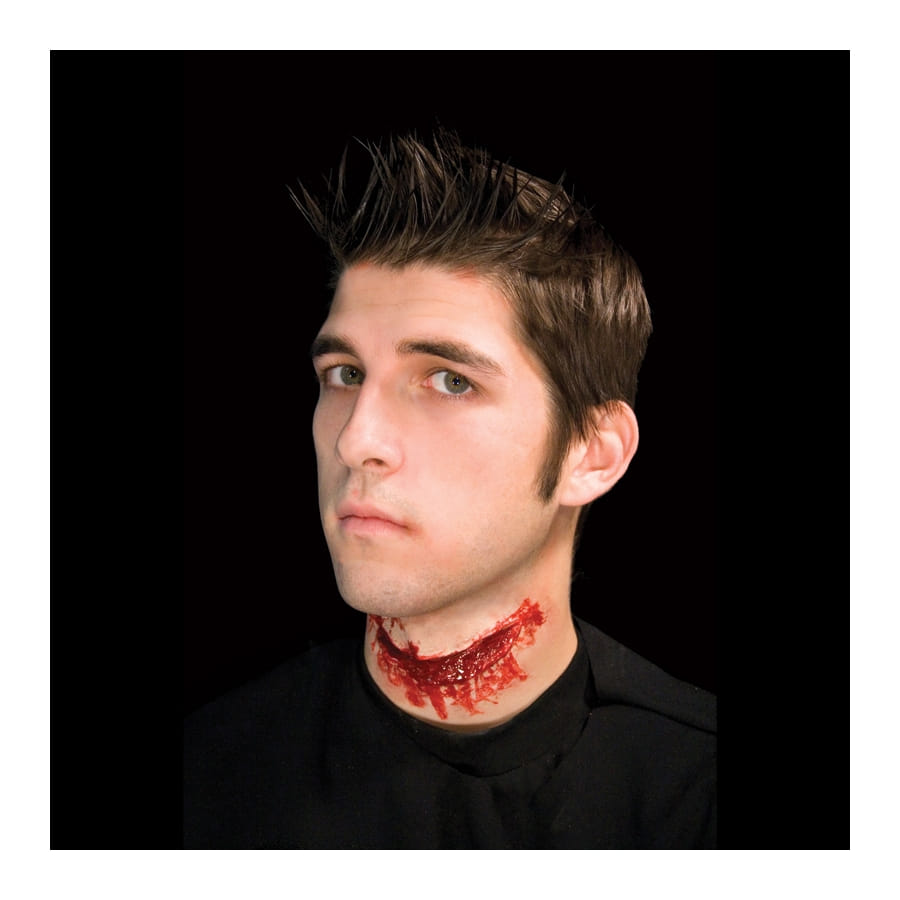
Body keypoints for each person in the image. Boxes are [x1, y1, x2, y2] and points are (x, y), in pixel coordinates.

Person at [183, 130, 716, 849]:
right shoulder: (206, 777)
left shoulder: (703, 802)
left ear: (592, 454)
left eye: (449, 380)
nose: (356, 440)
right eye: (345, 374)